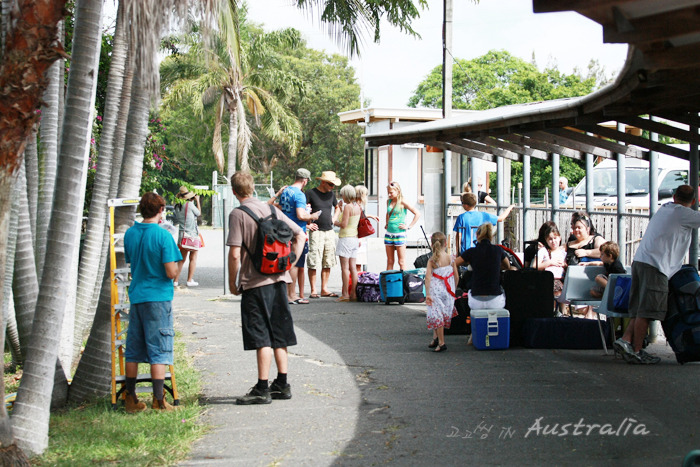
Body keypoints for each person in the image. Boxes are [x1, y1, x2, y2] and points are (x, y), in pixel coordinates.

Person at [227, 172, 306, 404]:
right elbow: (300, 234)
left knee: (261, 335)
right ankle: (282, 384)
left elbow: (234, 254)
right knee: (279, 333)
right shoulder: (273, 210)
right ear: (253, 188)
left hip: (254, 282)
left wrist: (234, 283)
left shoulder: (238, 214)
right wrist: (289, 263)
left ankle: (262, 388)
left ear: (234, 191)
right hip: (280, 280)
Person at [614, 185, 700, 364]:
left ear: (674, 196)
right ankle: (638, 351)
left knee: (640, 308)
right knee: (648, 311)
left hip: (641, 262)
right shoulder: (683, 213)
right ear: (692, 201)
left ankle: (626, 340)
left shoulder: (666, 208)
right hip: (657, 266)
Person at [123, 192, 182, 412]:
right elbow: (170, 271)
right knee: (159, 349)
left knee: (134, 349)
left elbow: (133, 262)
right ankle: (159, 400)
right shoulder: (163, 236)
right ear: (160, 211)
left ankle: (130, 398)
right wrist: (177, 267)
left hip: (137, 295)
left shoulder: (130, 234)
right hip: (158, 297)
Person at [270, 168, 321, 305]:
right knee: (295, 264)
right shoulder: (299, 194)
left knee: (288, 262)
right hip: (297, 232)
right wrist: (313, 216)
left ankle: (287, 293)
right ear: (305, 181)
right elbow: (300, 215)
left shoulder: (286, 191)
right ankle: (291, 295)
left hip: (284, 231)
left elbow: (281, 207)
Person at [455, 223, 512, 311]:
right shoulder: (498, 250)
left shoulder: (471, 252)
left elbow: (454, 264)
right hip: (495, 301)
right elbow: (507, 266)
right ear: (491, 236)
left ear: (477, 235)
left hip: (475, 301)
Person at [306, 171, 341, 298]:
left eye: (333, 185)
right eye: (331, 184)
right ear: (323, 182)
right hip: (316, 232)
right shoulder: (310, 193)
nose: (332, 187)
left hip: (329, 231)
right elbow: (304, 210)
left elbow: (337, 207)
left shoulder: (331, 194)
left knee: (328, 260)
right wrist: (307, 224)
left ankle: (324, 289)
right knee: (314, 260)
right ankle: (313, 290)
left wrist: (334, 218)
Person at [424, 231, 459, 353]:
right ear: (446, 244)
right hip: (448, 290)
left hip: (436, 291)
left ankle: (442, 342)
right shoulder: (451, 258)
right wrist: (454, 288)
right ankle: (435, 338)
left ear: (432, 244)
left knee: (436, 315)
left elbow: (428, 278)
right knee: (441, 314)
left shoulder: (432, 260)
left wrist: (427, 293)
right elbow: (456, 275)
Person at [334, 185, 361, 302]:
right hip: (354, 238)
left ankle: (345, 294)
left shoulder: (347, 207)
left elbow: (344, 224)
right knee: (353, 268)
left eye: (342, 194)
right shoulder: (358, 206)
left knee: (344, 268)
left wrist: (336, 222)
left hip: (345, 238)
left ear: (346, 195)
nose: (341, 196)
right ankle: (353, 294)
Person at [385, 181, 421, 270]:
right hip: (389, 234)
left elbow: (417, 213)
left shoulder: (403, 202)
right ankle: (389, 282)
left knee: (401, 261)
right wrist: (386, 223)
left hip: (399, 234)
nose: (389, 195)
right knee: (390, 261)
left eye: (391, 192)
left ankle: (404, 282)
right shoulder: (388, 201)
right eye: (388, 192)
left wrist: (409, 226)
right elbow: (388, 213)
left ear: (398, 191)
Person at [173, 186, 201, 287]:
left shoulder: (177, 205)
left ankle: (175, 281)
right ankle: (189, 280)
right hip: (191, 235)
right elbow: (198, 213)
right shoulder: (189, 205)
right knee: (193, 257)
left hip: (182, 235)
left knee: (182, 259)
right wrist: (197, 201)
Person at [354, 184, 379, 273]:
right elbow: (356, 221)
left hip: (358, 236)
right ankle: (356, 283)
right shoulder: (356, 205)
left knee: (358, 262)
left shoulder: (356, 205)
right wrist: (358, 239)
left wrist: (371, 216)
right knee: (357, 263)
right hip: (358, 236)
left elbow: (360, 216)